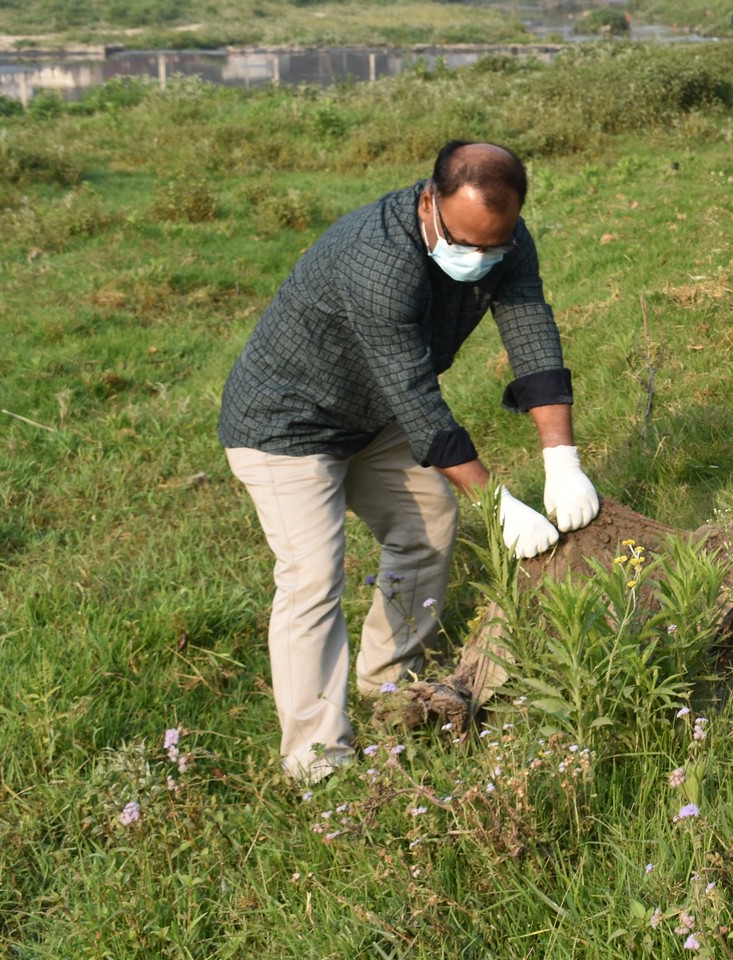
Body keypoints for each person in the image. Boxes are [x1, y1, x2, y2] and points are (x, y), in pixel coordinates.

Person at [218, 142, 599, 780]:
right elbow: (418, 401)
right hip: (286, 423)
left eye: (493, 247)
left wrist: (562, 457)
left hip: (369, 414)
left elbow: (530, 327)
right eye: (464, 243)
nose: (478, 260)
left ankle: (391, 684)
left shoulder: (505, 239)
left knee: (427, 527)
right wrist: (496, 502)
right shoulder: (377, 258)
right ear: (430, 200)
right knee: (312, 578)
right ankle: (319, 764)